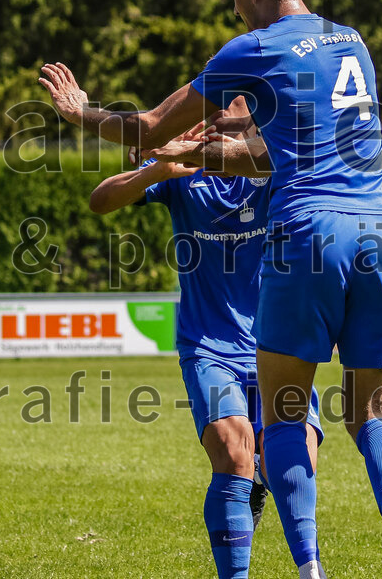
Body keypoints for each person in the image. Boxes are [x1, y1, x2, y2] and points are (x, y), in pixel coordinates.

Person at [40, 0, 382, 579]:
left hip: (309, 231)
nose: (235, 11)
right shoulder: (349, 38)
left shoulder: (252, 48)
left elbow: (149, 126)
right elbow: (276, 151)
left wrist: (82, 114)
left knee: (284, 413)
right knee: (371, 408)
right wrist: (192, 158)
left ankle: (309, 568)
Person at [89, 112, 323, 579]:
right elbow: (101, 200)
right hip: (209, 345)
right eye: (215, 120)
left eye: (237, 123)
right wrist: (157, 169)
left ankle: (309, 567)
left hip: (277, 342)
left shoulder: (273, 170)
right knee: (233, 449)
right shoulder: (183, 175)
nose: (223, 130)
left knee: (294, 457)